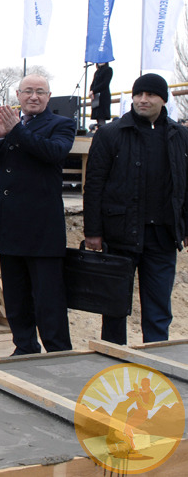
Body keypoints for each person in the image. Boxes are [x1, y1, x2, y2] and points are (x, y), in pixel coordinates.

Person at [84, 73, 188, 345]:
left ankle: (155, 362)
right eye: (139, 94)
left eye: (151, 95)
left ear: (163, 99)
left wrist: (185, 227)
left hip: (163, 236)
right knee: (115, 306)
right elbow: (94, 184)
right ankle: (112, 358)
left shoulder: (180, 136)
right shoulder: (111, 133)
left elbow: (185, 185)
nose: (143, 100)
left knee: (158, 309)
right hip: (120, 234)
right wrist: (93, 231)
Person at [0, 73, 74, 355]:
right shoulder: (9, 126)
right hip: (9, 224)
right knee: (16, 296)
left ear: (49, 97)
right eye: (28, 91)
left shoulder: (61, 125)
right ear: (18, 95)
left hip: (43, 228)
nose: (34, 96)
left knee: (48, 297)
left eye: (40, 92)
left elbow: (52, 153)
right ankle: (24, 345)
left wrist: (16, 130)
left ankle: (58, 351)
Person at [89, 62, 113, 127]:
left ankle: (102, 132)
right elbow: (93, 83)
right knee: (97, 116)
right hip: (96, 97)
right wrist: (91, 91)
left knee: (102, 116)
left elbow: (105, 83)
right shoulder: (97, 72)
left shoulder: (108, 69)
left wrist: (93, 91)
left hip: (103, 96)